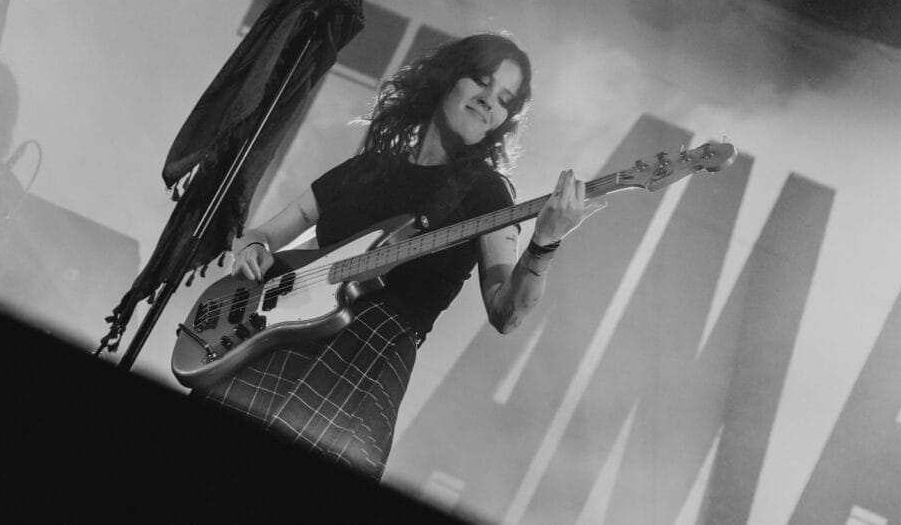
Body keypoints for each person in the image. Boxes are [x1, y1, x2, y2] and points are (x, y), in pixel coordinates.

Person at [195, 32, 606, 479]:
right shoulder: (368, 167)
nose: (489, 102)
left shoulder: (487, 195)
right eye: (482, 81)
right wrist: (254, 245)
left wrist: (545, 244)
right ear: (448, 77)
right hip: (274, 338)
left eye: (505, 100)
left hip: (362, 360)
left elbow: (506, 314)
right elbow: (264, 234)